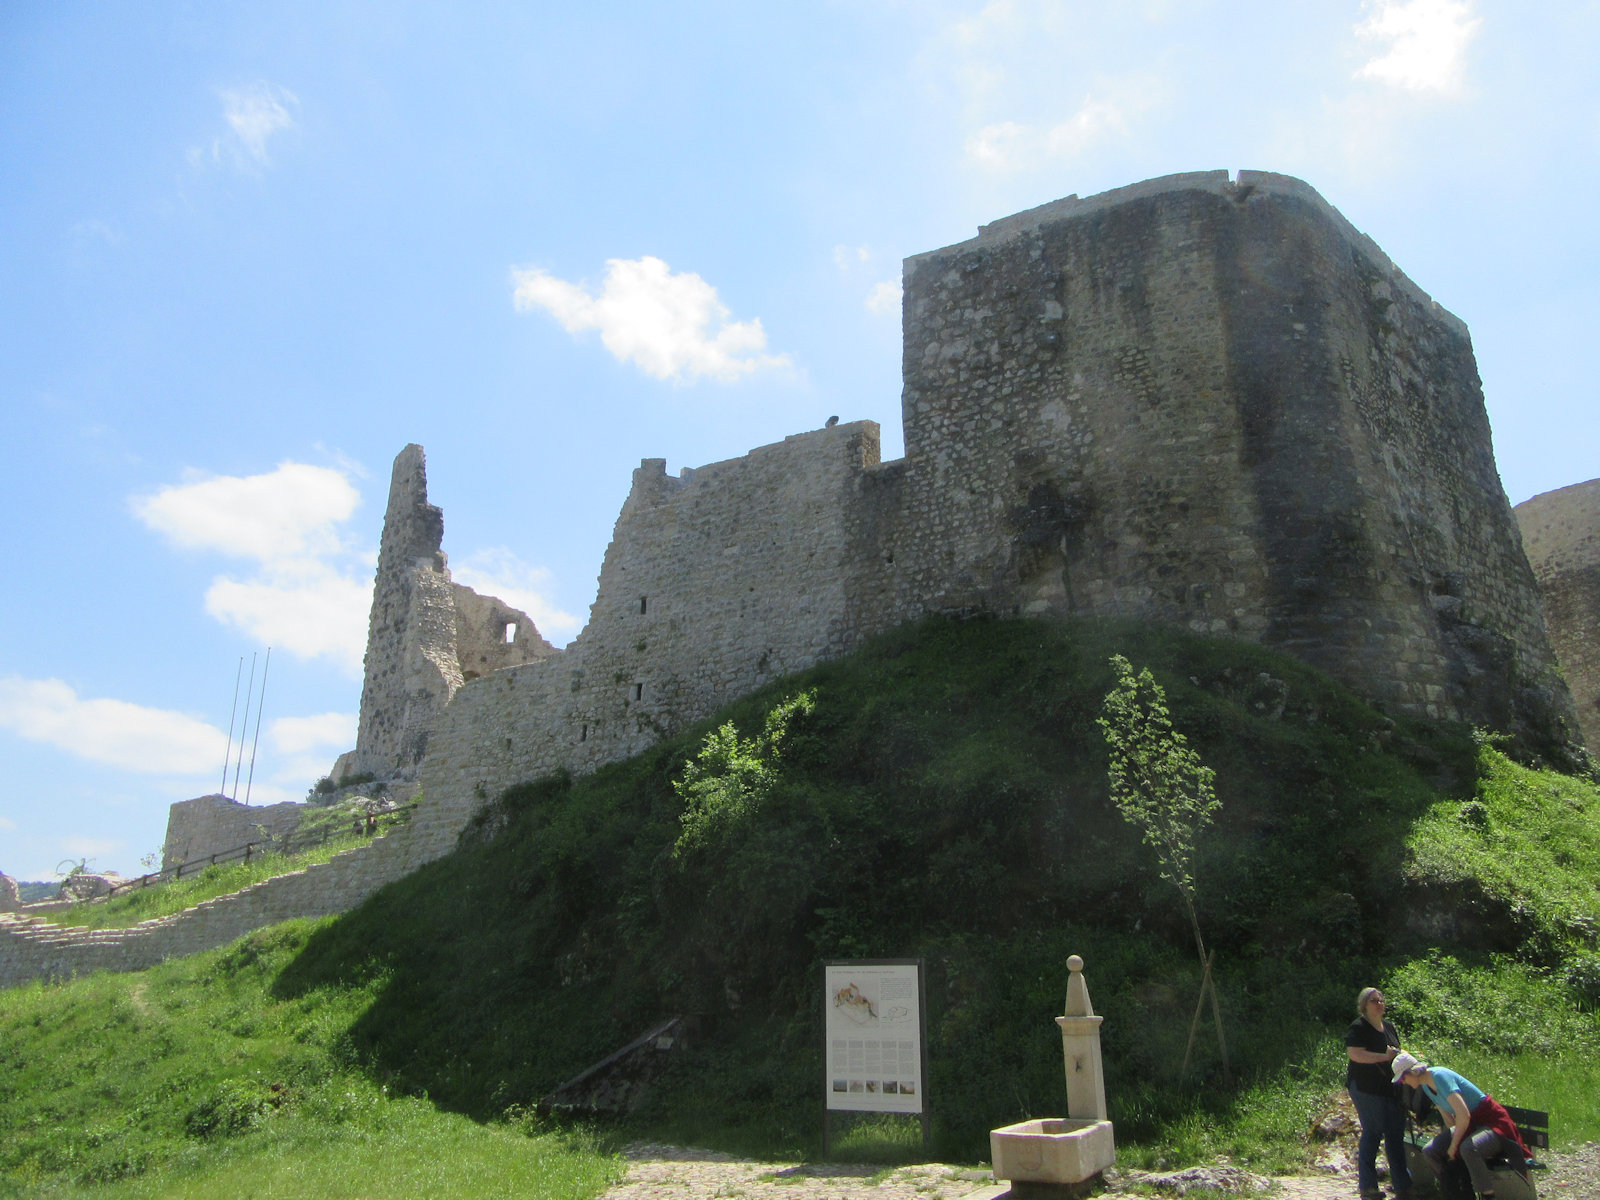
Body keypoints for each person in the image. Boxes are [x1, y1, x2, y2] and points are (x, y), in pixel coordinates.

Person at [1391, 1052, 1531, 1199]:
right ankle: (1455, 1193)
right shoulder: (1426, 1086)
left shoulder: (1440, 1077)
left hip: (1493, 1123)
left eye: (1402, 1078)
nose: (1403, 1083)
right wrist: (1452, 1141)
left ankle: (1487, 1195)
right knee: (1430, 1150)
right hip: (1470, 1125)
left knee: (1468, 1148)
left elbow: (1464, 1115)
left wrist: (1454, 1145)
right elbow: (1449, 1119)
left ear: (1413, 1071)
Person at [1345, 987, 1412, 1199]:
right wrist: (1384, 1057)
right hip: (1365, 1089)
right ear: (1364, 1004)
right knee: (1373, 1132)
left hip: (1391, 1089)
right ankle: (1368, 1186)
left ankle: (1403, 1186)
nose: (1380, 1003)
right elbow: (1355, 1054)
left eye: (1381, 999)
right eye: (1374, 1000)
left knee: (1395, 1135)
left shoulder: (1389, 1027)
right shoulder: (1359, 1027)